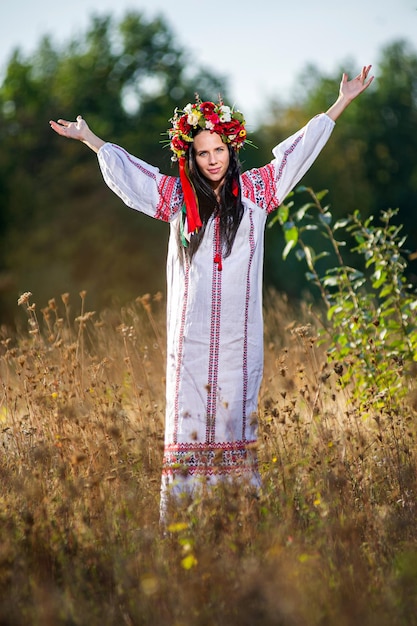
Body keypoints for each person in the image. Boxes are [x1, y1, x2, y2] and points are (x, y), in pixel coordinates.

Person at [50, 66, 373, 516]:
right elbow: (134, 177)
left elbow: (297, 154)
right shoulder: (178, 200)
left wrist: (342, 102)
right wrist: (91, 140)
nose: (213, 159)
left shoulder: (258, 191)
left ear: (231, 148)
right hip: (191, 343)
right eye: (203, 153)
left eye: (219, 149)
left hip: (241, 344)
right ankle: (184, 523)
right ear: (191, 158)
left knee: (234, 423)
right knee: (188, 427)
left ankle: (237, 520)